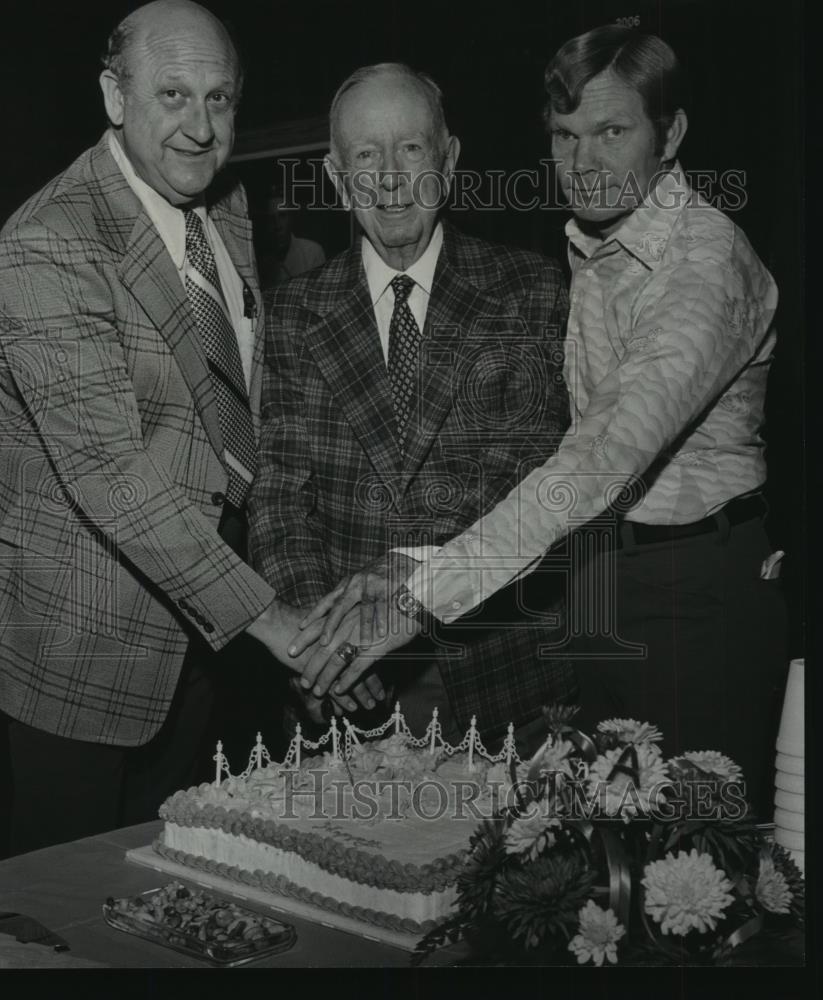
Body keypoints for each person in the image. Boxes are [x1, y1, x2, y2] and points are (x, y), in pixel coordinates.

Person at [297, 28, 788, 816]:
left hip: (692, 593)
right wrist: (415, 562)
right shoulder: (597, 248)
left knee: (695, 883)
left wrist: (418, 600)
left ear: (674, 135)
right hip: (596, 587)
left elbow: (595, 459)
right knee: (601, 880)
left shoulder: (703, 263)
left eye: (612, 131)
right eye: (565, 136)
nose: (584, 162)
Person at [0, 0, 370, 856]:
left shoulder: (227, 211)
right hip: (89, 657)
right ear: (113, 95)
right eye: (172, 95)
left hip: (213, 651)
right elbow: (113, 475)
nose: (201, 128)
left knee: (193, 898)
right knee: (77, 925)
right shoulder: (46, 243)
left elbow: (233, 418)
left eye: (219, 99)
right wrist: (279, 624)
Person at [249, 63, 575, 749]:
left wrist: (410, 573)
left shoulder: (533, 290)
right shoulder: (291, 315)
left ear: (449, 160)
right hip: (343, 691)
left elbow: (529, 469)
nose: (390, 177)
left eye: (411, 149)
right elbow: (279, 496)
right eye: (366, 155)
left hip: (502, 675)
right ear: (338, 178)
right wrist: (322, 645)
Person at [255, 188, 326, 289]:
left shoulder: (313, 253)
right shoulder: (259, 260)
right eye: (271, 219)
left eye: (282, 216)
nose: (277, 225)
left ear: (291, 218)